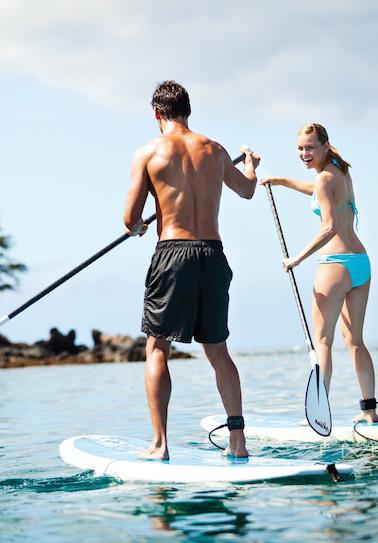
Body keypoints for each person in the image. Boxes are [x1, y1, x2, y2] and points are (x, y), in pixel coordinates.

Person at [122, 80, 260, 460]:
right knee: (218, 351)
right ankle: (238, 442)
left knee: (157, 348)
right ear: (188, 111)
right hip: (213, 254)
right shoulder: (215, 150)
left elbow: (130, 219)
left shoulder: (149, 152)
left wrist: (137, 227)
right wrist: (250, 166)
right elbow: (247, 191)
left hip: (173, 252)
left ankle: (160, 444)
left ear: (156, 115)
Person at [260, 123, 378, 423]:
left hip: (335, 264)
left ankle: (318, 414)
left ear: (325, 145)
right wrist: (281, 180)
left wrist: (296, 259)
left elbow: (328, 227)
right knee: (355, 341)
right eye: (300, 148)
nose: (304, 153)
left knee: (322, 342)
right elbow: (316, 189)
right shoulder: (339, 171)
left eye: (310, 147)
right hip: (360, 263)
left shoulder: (326, 179)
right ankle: (370, 412)